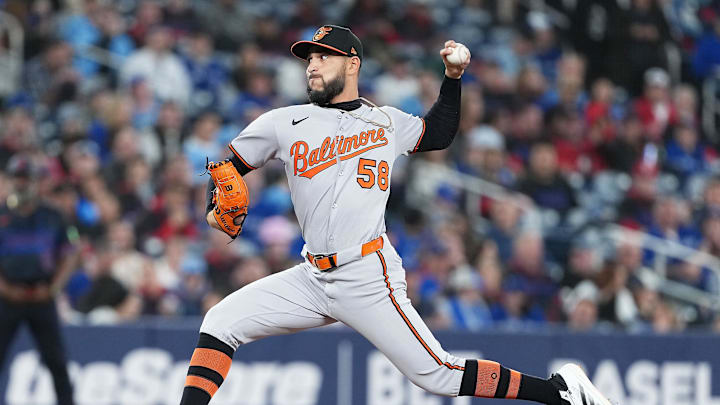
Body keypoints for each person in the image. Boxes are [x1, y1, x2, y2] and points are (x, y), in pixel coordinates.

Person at [179, 25, 611, 405]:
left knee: (438, 374)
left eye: (322, 56)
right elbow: (227, 168)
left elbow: (438, 133)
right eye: (308, 58)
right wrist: (214, 208)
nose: (311, 65)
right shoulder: (283, 122)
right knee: (220, 320)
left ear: (352, 64)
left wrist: (453, 78)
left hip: (367, 273)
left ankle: (559, 392)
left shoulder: (385, 122)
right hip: (311, 276)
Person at [0, 155, 80, 405]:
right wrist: (3, 288)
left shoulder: (53, 215)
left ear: (36, 182)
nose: (22, 184)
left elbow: (71, 252)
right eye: (18, 178)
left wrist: (54, 287)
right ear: (12, 181)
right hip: (8, 296)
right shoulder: (2, 214)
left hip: (42, 296)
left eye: (27, 178)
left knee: (56, 360)